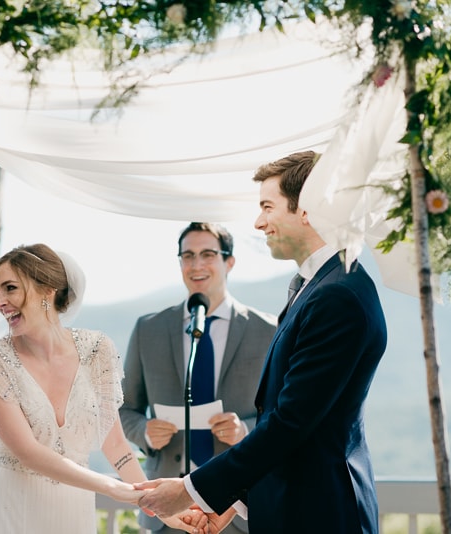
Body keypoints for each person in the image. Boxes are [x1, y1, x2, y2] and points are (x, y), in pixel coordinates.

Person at [135, 151, 388, 534]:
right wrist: (234, 500)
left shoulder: (338, 296)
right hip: (295, 506)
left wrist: (190, 490)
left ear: (307, 209)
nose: (258, 222)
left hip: (321, 514)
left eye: (268, 207)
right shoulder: (318, 286)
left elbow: (290, 422)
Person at [0, 243, 205, 533]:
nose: (0, 302)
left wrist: (157, 506)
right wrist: (111, 487)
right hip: (11, 505)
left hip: (72, 508)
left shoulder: (96, 350)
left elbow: (116, 444)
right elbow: (28, 452)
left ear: (47, 290)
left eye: (10, 288)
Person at [120, 222, 277, 534]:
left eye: (208, 254)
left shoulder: (268, 330)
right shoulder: (148, 329)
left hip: (239, 507)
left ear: (228, 262)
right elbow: (124, 408)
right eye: (187, 256)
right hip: (167, 511)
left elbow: (283, 414)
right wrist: (145, 432)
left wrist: (245, 430)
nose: (196, 265)